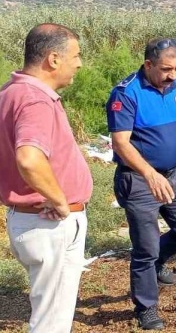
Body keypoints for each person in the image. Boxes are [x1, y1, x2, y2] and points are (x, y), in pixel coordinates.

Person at [0, 23, 92, 333]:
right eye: (76, 55)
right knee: (51, 324)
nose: (79, 63)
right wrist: (60, 201)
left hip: (30, 220)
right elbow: (29, 158)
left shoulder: (10, 92)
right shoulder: (35, 99)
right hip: (49, 222)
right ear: (53, 59)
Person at [107, 38, 176, 330]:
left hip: (174, 174)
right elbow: (121, 143)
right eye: (165, 69)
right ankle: (146, 307)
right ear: (148, 65)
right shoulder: (126, 93)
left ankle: (158, 261)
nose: (172, 75)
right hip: (139, 180)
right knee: (144, 248)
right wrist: (149, 173)